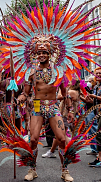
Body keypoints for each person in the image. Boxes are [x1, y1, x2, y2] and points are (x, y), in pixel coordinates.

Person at [18, 38, 74, 181]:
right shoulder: (31, 72)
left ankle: (65, 171)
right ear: (35, 55)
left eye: (44, 52)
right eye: (39, 53)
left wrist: (70, 109)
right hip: (37, 105)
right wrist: (20, 98)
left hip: (53, 106)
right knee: (34, 139)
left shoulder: (58, 71)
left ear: (49, 54)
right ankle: (32, 170)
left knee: (62, 139)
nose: (41, 55)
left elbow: (65, 92)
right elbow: (26, 92)